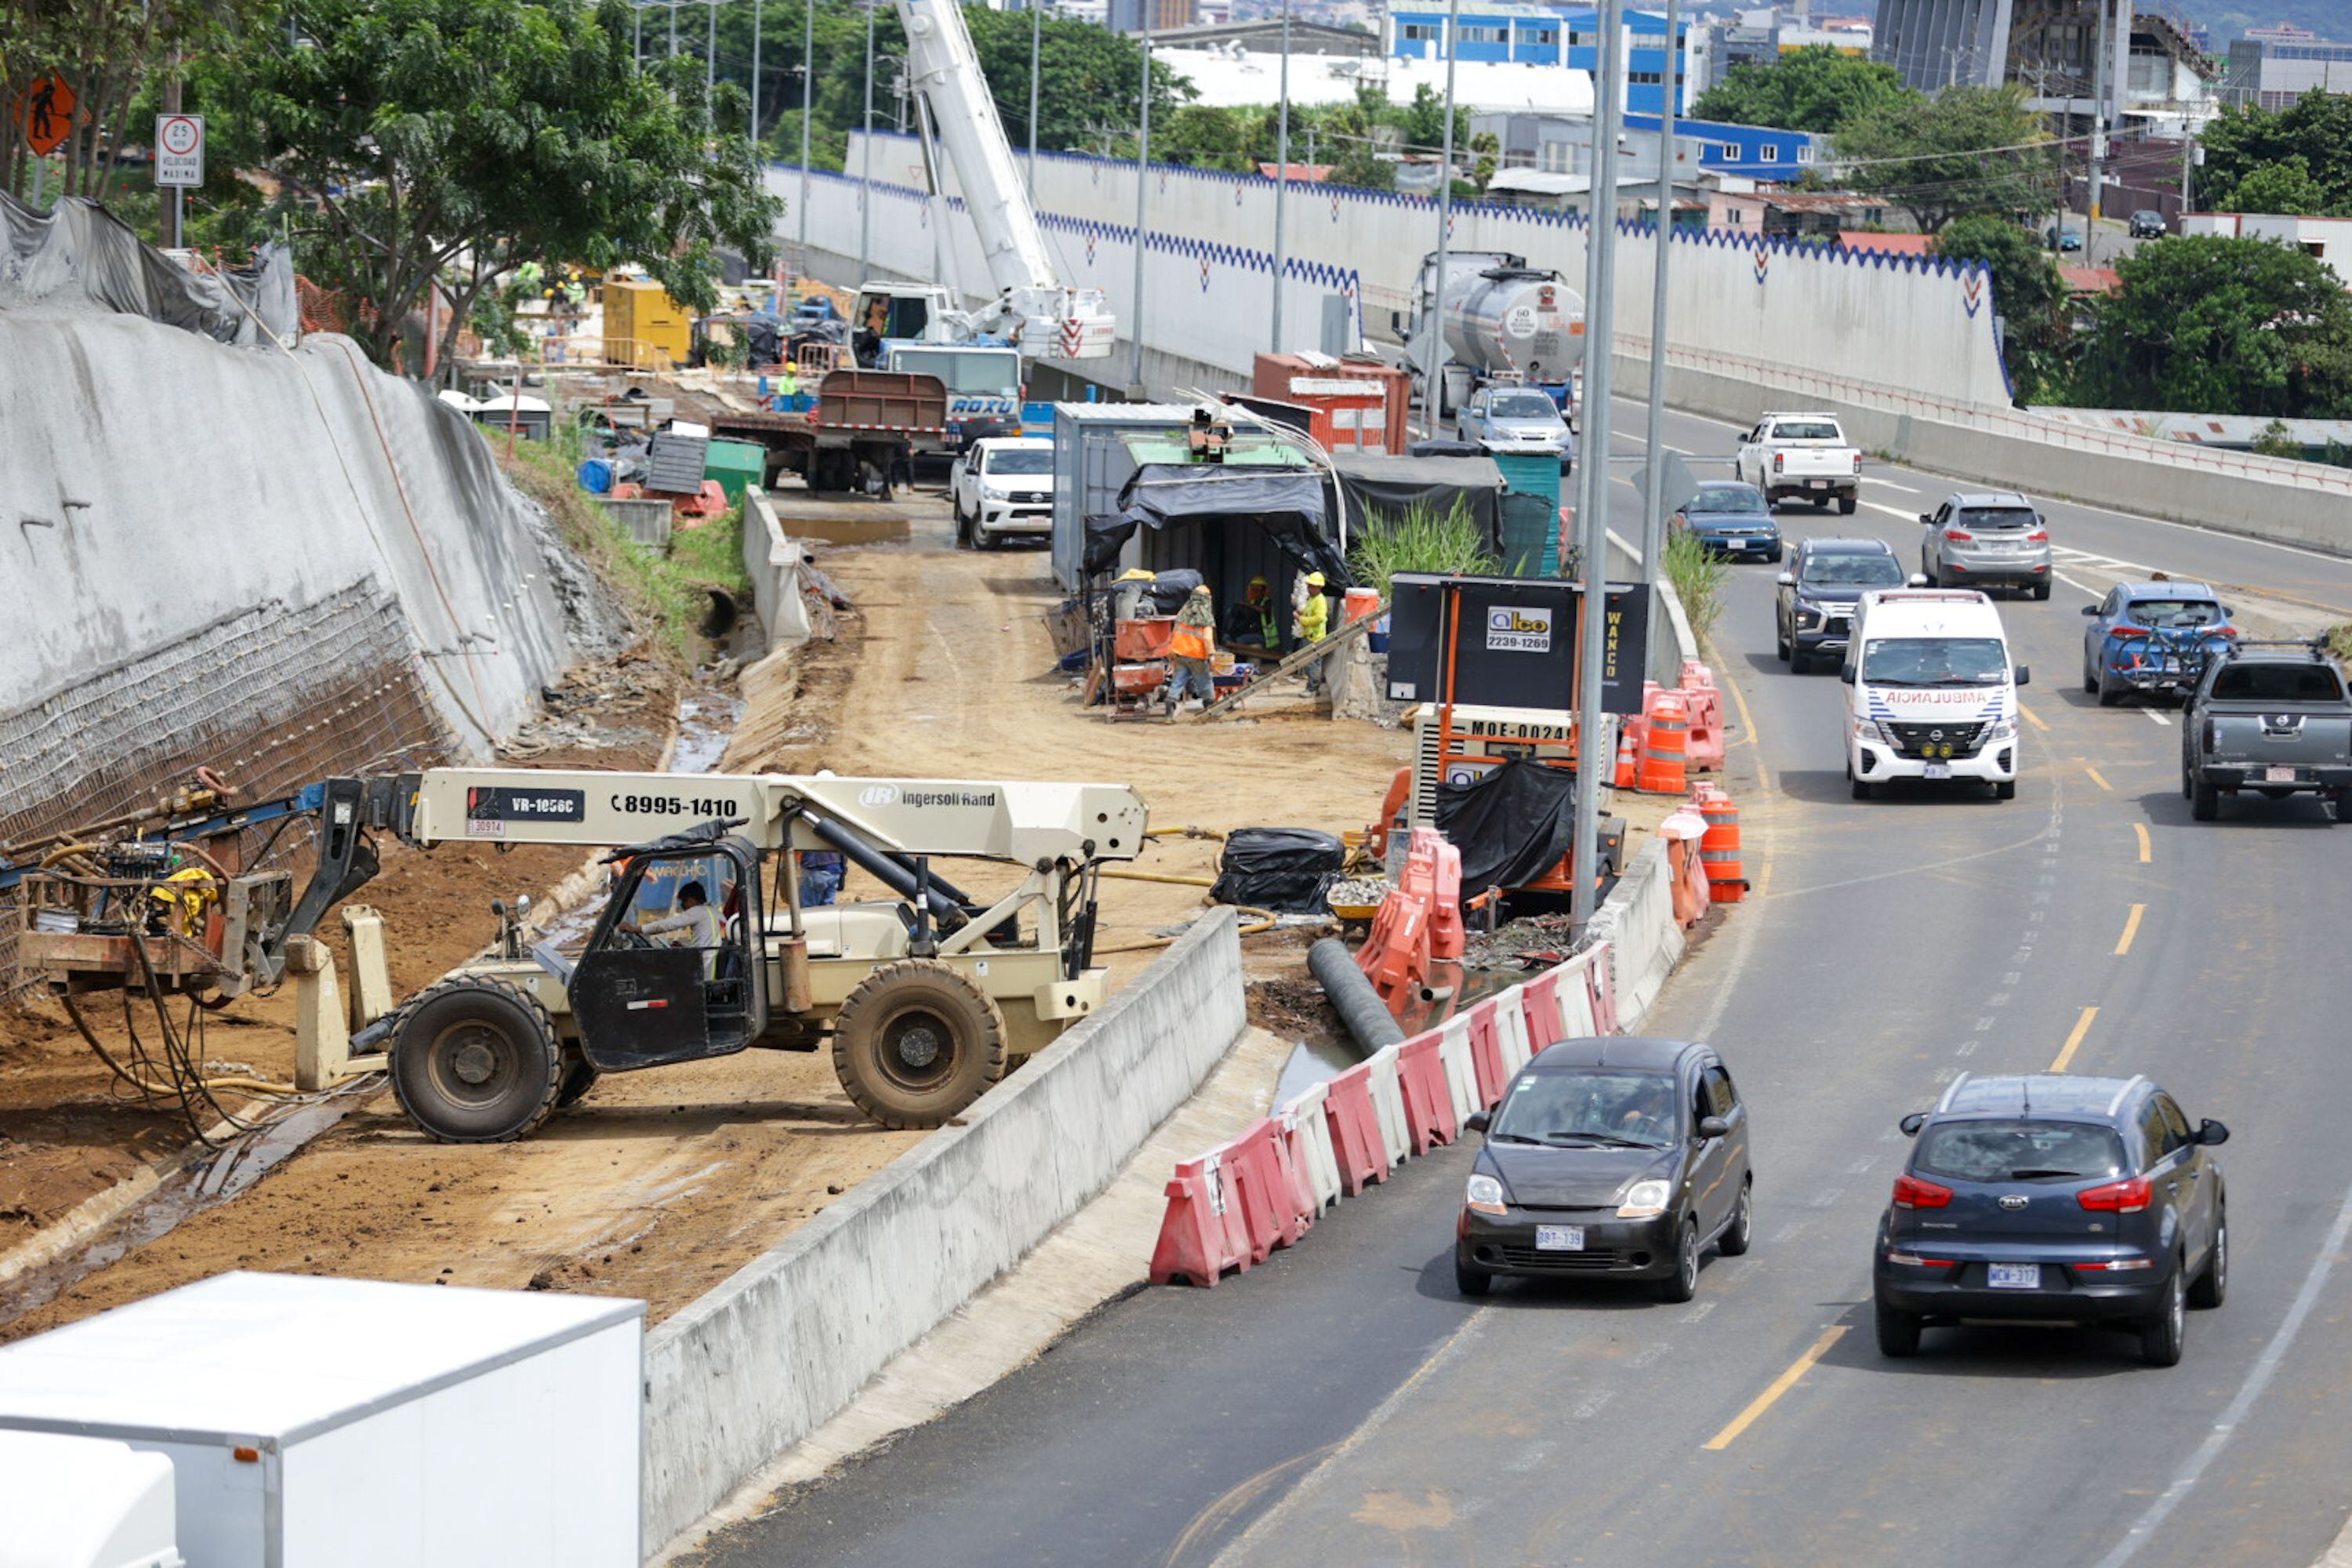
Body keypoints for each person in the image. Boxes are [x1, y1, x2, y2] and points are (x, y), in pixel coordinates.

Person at [626, 880, 724, 978]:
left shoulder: (697, 911)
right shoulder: (713, 911)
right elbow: (705, 940)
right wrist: (685, 947)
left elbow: (667, 925)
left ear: (692, 900)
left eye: (684, 901)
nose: (682, 905)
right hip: (707, 959)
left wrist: (636, 929)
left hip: (704, 965)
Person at [1167, 583, 1217, 713]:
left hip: (1180, 654)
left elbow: (1174, 633)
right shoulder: (1206, 616)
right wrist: (1211, 655)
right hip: (1197, 656)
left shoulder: (1182, 613)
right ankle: (1210, 708)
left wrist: (1172, 653)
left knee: (1177, 683)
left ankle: (1169, 710)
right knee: (1205, 683)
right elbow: (1207, 639)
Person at [1295, 571, 1331, 695]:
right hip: (1309, 636)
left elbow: (1320, 618)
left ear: (1319, 587)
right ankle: (1312, 687)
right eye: (1309, 586)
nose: (1309, 588)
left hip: (1316, 637)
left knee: (1313, 664)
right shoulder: (1312, 599)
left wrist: (1302, 620)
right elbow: (1309, 612)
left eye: (1312, 586)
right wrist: (1302, 614)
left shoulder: (1320, 600)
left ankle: (1313, 689)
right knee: (1309, 663)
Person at [1223, 575, 1276, 647]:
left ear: (1264, 591)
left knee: (1240, 640)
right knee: (1227, 638)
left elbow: (1263, 610)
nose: (1255, 592)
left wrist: (1246, 605)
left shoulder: (1267, 602)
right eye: (1253, 589)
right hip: (1251, 634)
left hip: (1264, 637)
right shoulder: (1252, 603)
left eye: (1258, 590)